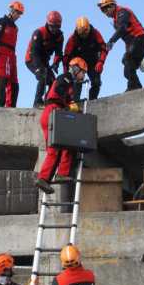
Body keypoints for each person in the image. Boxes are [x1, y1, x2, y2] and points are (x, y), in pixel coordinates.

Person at [34, 57, 88, 195]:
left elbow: (64, 97)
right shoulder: (66, 78)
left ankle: (59, 175)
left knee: (63, 145)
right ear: (76, 69)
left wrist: (71, 106)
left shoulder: (69, 83)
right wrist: (68, 106)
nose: (83, 75)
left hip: (53, 113)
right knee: (56, 148)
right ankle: (45, 178)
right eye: (83, 72)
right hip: (54, 112)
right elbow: (58, 92)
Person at [97, 0, 144, 91]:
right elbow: (127, 39)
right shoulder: (116, 19)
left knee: (128, 59)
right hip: (135, 42)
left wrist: (111, 41)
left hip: (141, 38)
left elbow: (122, 29)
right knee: (127, 67)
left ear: (112, 6)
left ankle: (134, 87)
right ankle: (136, 86)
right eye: (102, 10)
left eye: (106, 9)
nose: (105, 12)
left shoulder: (122, 11)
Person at [63, 16, 107, 101]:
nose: (84, 35)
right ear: (77, 30)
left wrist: (101, 61)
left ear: (89, 29)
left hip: (93, 61)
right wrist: (66, 73)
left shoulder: (95, 34)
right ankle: (75, 101)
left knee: (96, 82)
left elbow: (103, 48)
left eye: (85, 32)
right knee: (76, 81)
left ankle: (93, 100)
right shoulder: (72, 39)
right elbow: (66, 57)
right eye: (81, 33)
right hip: (77, 64)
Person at [25, 11, 64, 108]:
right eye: (52, 26)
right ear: (48, 24)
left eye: (56, 27)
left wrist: (55, 63)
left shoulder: (59, 36)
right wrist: (38, 68)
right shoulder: (39, 33)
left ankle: (48, 101)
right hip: (32, 59)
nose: (54, 29)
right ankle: (37, 102)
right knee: (43, 76)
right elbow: (34, 53)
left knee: (53, 81)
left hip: (44, 61)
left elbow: (58, 53)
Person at [0, 1, 24, 108]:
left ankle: (11, 106)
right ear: (11, 10)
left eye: (20, 14)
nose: (18, 16)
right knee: (2, 78)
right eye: (17, 13)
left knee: (14, 82)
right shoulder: (1, 22)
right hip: (2, 52)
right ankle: (0, 105)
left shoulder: (15, 28)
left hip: (12, 54)